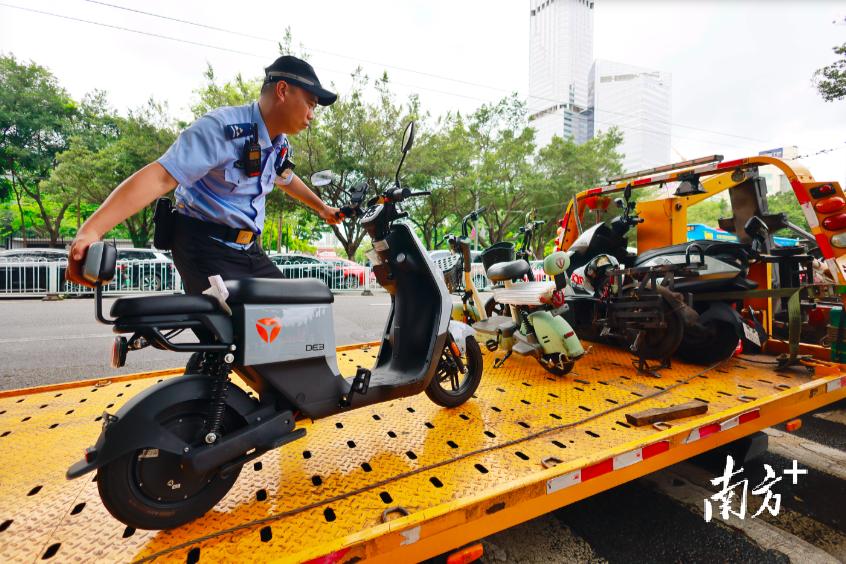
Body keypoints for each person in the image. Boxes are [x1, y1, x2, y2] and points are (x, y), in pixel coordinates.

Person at [66, 55, 340, 294]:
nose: (312, 115)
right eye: (311, 104)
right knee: (238, 339)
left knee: (296, 312)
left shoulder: (278, 143)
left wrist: (322, 208)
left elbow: (285, 178)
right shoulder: (221, 129)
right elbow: (162, 176)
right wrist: (91, 231)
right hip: (204, 247)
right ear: (282, 90)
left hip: (248, 249)